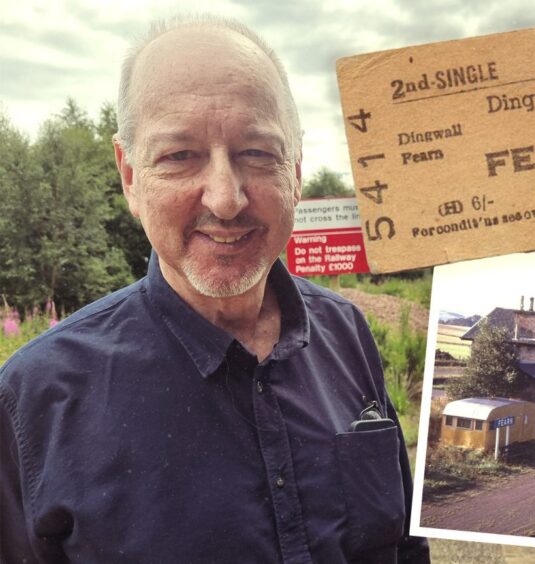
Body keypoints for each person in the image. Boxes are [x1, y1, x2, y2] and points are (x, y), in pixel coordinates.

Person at [0, 15, 429, 563]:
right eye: (180, 156)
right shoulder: (37, 398)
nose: (226, 200)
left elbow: (404, 545)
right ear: (130, 176)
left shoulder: (345, 333)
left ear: (296, 171)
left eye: (257, 152)